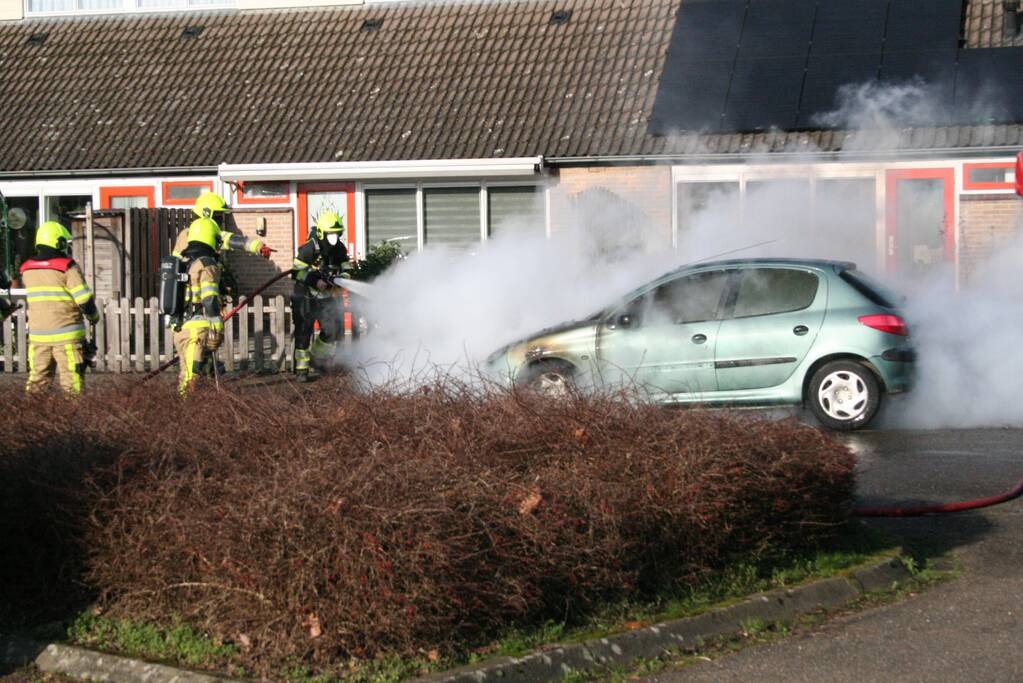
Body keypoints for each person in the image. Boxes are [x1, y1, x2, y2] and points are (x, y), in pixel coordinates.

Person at [20, 220, 100, 395]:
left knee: (37, 380)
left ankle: (30, 411)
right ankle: (73, 411)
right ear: (59, 242)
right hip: (67, 335)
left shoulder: (26, 269)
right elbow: (84, 300)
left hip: (38, 337)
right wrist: (94, 317)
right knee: (72, 381)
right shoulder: (67, 266)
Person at [291, 211, 349, 382]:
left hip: (326, 296)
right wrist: (315, 281)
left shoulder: (339, 248)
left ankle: (317, 359)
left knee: (332, 331)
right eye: (331, 233)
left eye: (337, 233)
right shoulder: (309, 248)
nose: (334, 237)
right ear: (322, 233)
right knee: (304, 332)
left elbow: (347, 267)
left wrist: (342, 278)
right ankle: (301, 370)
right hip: (305, 296)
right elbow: (296, 272)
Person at [171, 217, 225, 394]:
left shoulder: (182, 261)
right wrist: (217, 329)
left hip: (180, 328)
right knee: (191, 379)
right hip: (197, 329)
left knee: (190, 375)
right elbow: (210, 299)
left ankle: (192, 407)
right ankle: (188, 409)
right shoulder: (207, 264)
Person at [171, 191, 274, 260]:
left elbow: (231, 240)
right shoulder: (190, 233)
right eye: (218, 215)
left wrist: (257, 246)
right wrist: (258, 246)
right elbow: (228, 239)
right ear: (206, 213)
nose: (220, 219)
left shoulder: (191, 232)